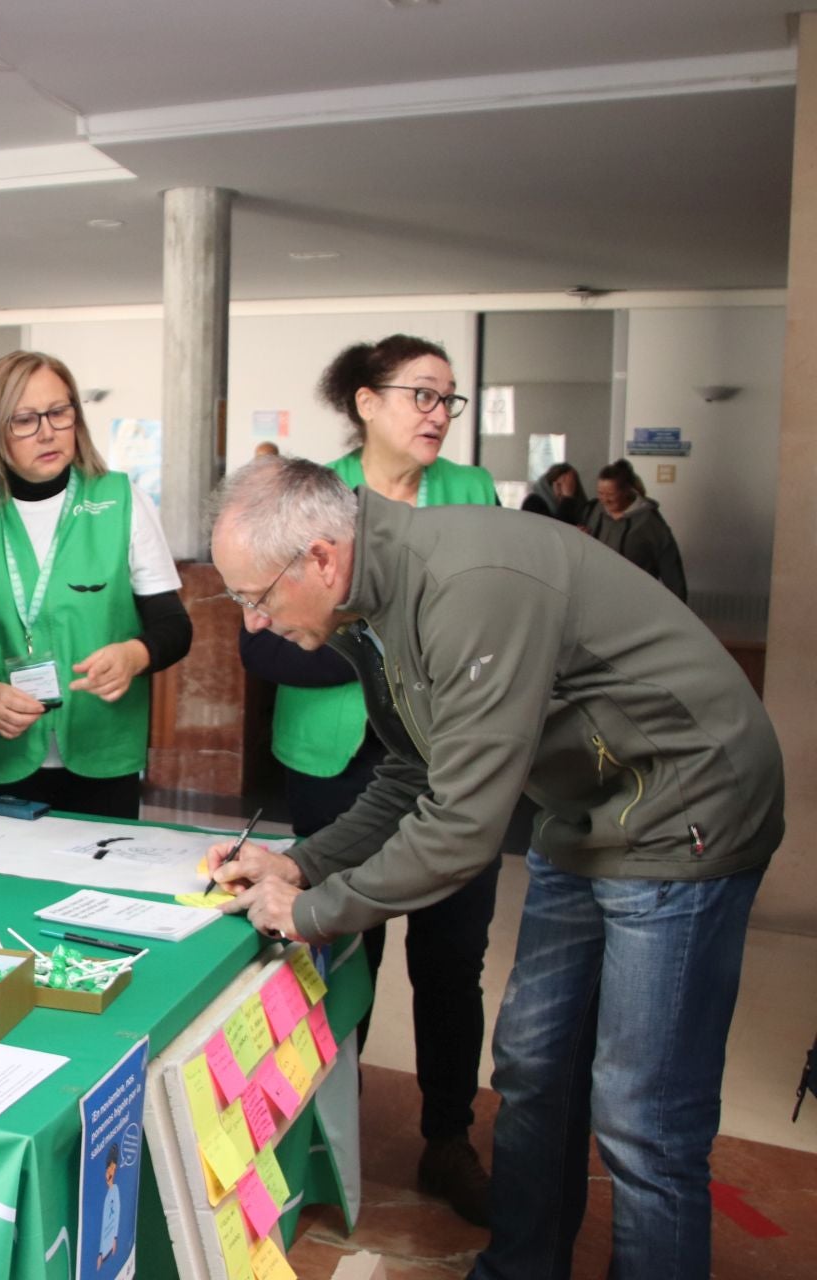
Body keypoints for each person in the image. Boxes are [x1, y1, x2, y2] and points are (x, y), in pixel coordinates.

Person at [206, 456, 782, 1280]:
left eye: (255, 597)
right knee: (534, 1064)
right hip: (584, 806)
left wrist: (310, 913)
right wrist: (299, 864)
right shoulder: (370, 605)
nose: (255, 622)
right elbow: (412, 773)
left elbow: (461, 830)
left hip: (684, 806)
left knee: (641, 1116)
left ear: (322, 559)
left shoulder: (465, 587)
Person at [236, 334, 499, 1224]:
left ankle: (448, 1137)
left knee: (452, 960)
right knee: (340, 949)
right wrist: (391, 653)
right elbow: (264, 645)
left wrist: (391, 650)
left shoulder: (471, 493)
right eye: (421, 394)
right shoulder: (315, 493)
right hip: (337, 762)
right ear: (366, 402)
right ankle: (324, 1132)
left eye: (448, 399)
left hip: (454, 757)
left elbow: (488, 629)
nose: (437, 413)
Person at [0, 350, 190, 819]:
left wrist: (135, 655)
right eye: (24, 420)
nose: (47, 432)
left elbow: (174, 626)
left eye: (58, 412)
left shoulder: (121, 500)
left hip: (101, 750)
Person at [586, 458, 686, 599]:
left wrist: (678, 605)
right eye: (600, 493)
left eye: (610, 494)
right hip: (598, 594)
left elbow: (671, 568)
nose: (605, 500)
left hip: (635, 597)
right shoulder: (595, 511)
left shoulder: (649, 521)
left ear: (627, 491)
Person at [521, 462, 585, 524]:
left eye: (569, 487)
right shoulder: (533, 503)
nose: (565, 490)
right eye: (560, 485)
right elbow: (557, 529)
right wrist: (567, 499)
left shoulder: (578, 508)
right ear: (550, 485)